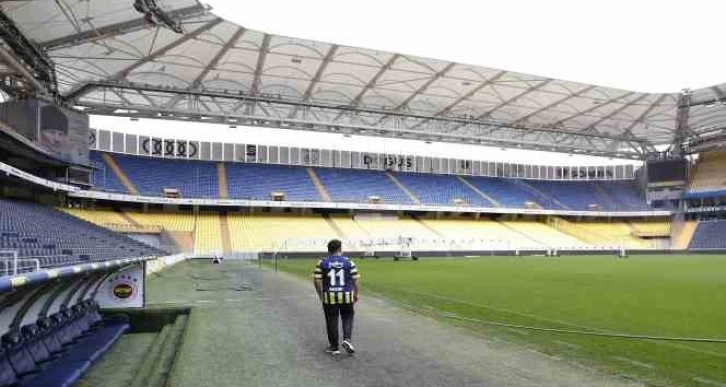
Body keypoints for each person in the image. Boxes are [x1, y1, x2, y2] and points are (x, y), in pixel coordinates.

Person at [313, 239, 360, 355]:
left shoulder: (322, 262)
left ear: (328, 250)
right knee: (348, 317)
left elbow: (317, 279)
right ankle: (347, 339)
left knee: (331, 320)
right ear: (340, 249)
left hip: (329, 296)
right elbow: (355, 278)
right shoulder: (349, 262)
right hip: (347, 295)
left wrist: (320, 294)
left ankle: (334, 347)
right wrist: (356, 293)